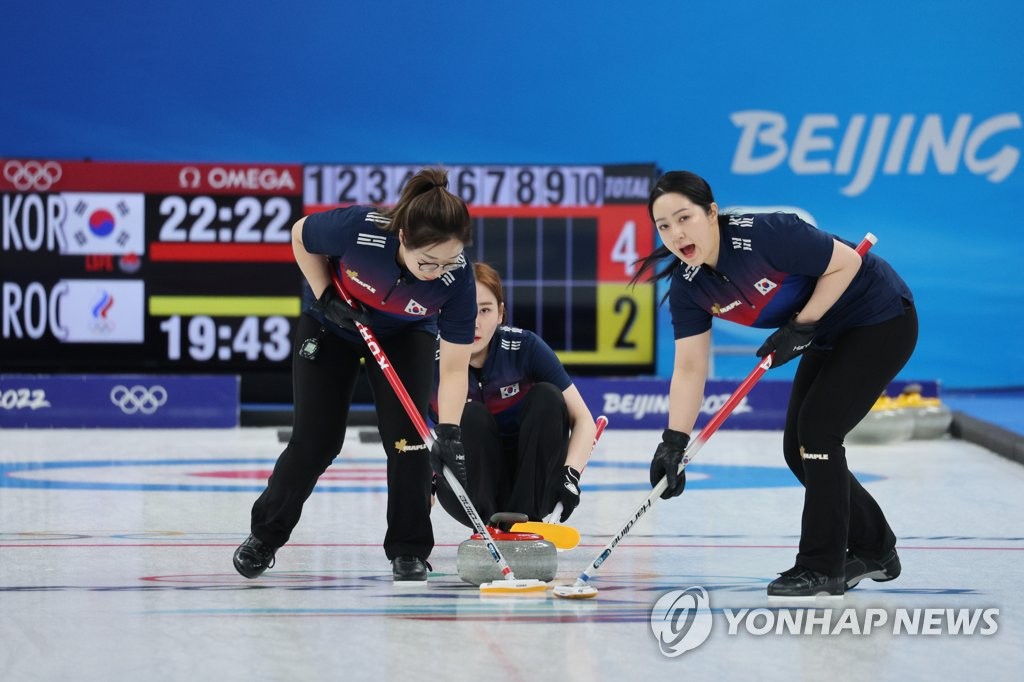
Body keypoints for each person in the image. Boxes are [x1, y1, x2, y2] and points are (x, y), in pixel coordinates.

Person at [634, 170, 917, 597]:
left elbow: (849, 262)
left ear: (712, 213)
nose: (676, 233)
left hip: (879, 317)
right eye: (664, 226)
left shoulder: (768, 234)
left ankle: (821, 566)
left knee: (819, 432)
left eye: (684, 217)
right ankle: (875, 549)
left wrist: (801, 326)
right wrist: (673, 442)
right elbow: (690, 368)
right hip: (826, 332)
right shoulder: (689, 288)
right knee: (797, 449)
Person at [233, 167, 476, 583]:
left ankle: (410, 549)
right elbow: (299, 235)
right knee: (316, 440)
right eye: (427, 262)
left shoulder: (457, 281)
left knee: (409, 442)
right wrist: (326, 296)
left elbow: (454, 367)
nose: (437, 271)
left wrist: (450, 430)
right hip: (334, 323)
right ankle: (264, 536)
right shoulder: (359, 229)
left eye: (448, 260)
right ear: (403, 238)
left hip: (405, 334)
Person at [431, 262, 598, 529]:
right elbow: (413, 434)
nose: (474, 322)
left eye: (484, 310)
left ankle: (525, 520)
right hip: (467, 490)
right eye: (464, 309)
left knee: (547, 396)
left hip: (534, 484)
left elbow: (584, 420)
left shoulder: (526, 347)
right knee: (470, 414)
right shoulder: (430, 359)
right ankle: (487, 524)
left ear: (500, 314)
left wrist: (571, 475)